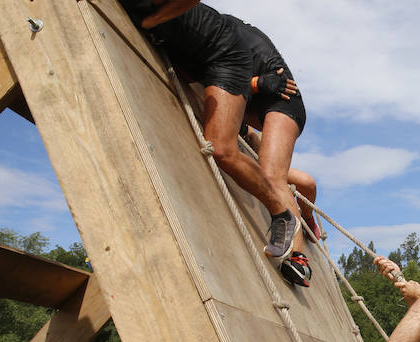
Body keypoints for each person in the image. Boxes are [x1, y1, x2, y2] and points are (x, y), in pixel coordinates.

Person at [120, 0, 312, 286]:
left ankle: (298, 257)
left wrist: (259, 84)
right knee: (288, 175)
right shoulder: (216, 27)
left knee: (274, 176)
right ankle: (308, 217)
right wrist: (256, 85)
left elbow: (228, 69)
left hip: (282, 100)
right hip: (248, 99)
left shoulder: (233, 37)